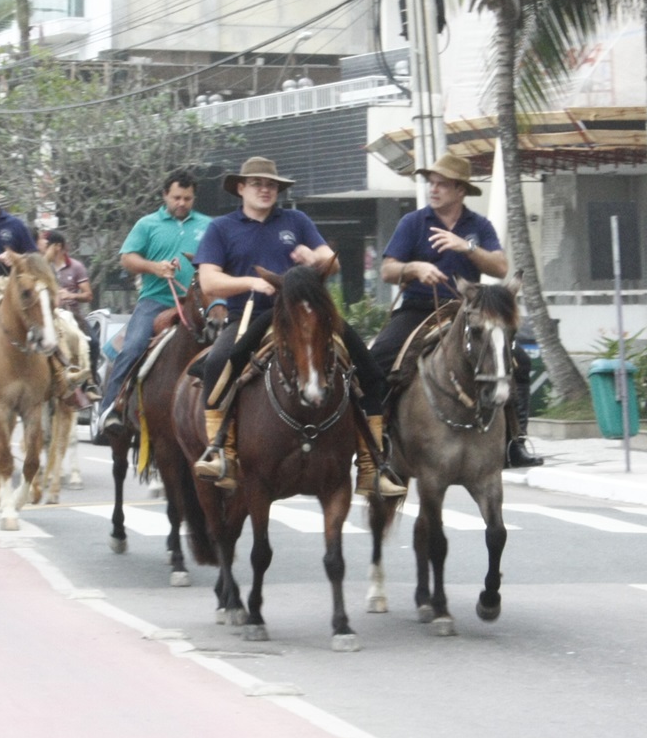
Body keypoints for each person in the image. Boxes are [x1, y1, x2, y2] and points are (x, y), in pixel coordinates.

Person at [191, 156, 404, 498]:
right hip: (255, 314)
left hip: (307, 314)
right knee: (218, 363)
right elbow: (209, 281)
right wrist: (250, 282)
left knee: (370, 369)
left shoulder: (296, 220)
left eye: (271, 185)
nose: (265, 189)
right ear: (241, 188)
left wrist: (314, 260)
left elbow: (328, 263)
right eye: (258, 184)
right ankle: (222, 452)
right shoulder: (221, 228)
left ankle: (371, 464)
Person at [367, 152, 536, 467]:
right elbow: (388, 270)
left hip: (466, 309)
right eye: (432, 183)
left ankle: (515, 441)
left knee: (518, 362)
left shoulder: (478, 225)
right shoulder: (413, 223)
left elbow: (500, 267)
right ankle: (379, 439)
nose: (434, 189)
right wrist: (416, 268)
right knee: (380, 358)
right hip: (419, 307)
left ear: (460, 190)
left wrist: (466, 247)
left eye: (442, 184)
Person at [96, 169, 213, 435]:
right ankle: (112, 408)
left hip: (199, 303)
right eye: (176, 198)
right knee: (134, 346)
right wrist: (155, 268)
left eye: (187, 198)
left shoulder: (208, 225)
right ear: (164, 196)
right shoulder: (147, 224)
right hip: (155, 301)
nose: (182, 203)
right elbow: (127, 259)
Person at [44, 230, 95, 372]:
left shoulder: (76, 267)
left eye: (47, 245)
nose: (43, 248)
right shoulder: (42, 267)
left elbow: (88, 295)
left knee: (94, 344)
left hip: (72, 315)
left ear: (57, 246)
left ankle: (91, 382)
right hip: (49, 315)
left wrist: (71, 296)